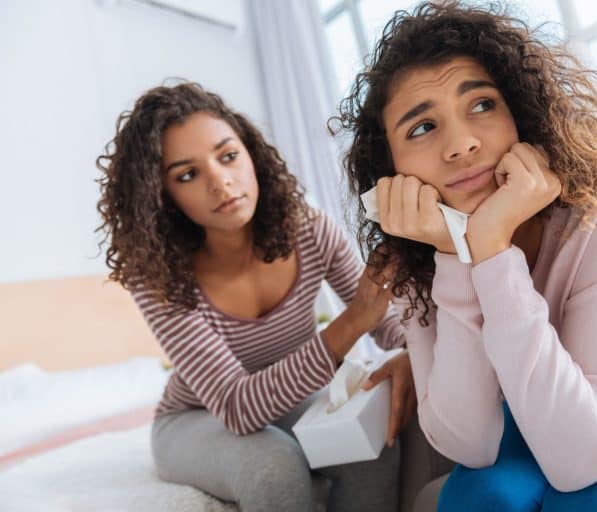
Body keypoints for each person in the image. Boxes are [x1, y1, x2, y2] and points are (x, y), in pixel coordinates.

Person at [334, 2, 597, 510]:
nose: (461, 145)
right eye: (422, 128)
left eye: (482, 104)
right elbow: (470, 444)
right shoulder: (414, 257)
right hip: (535, 426)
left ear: (521, 112)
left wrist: (490, 251)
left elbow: (582, 459)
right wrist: (455, 255)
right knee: (475, 501)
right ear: (389, 165)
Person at [96, 82, 415, 512]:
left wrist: (415, 351)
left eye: (228, 156)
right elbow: (237, 408)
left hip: (292, 399)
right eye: (187, 175)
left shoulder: (310, 230)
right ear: (163, 198)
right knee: (274, 463)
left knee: (371, 445)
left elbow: (389, 326)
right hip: (197, 417)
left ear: (251, 155)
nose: (220, 182)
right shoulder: (159, 279)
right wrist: (350, 324)